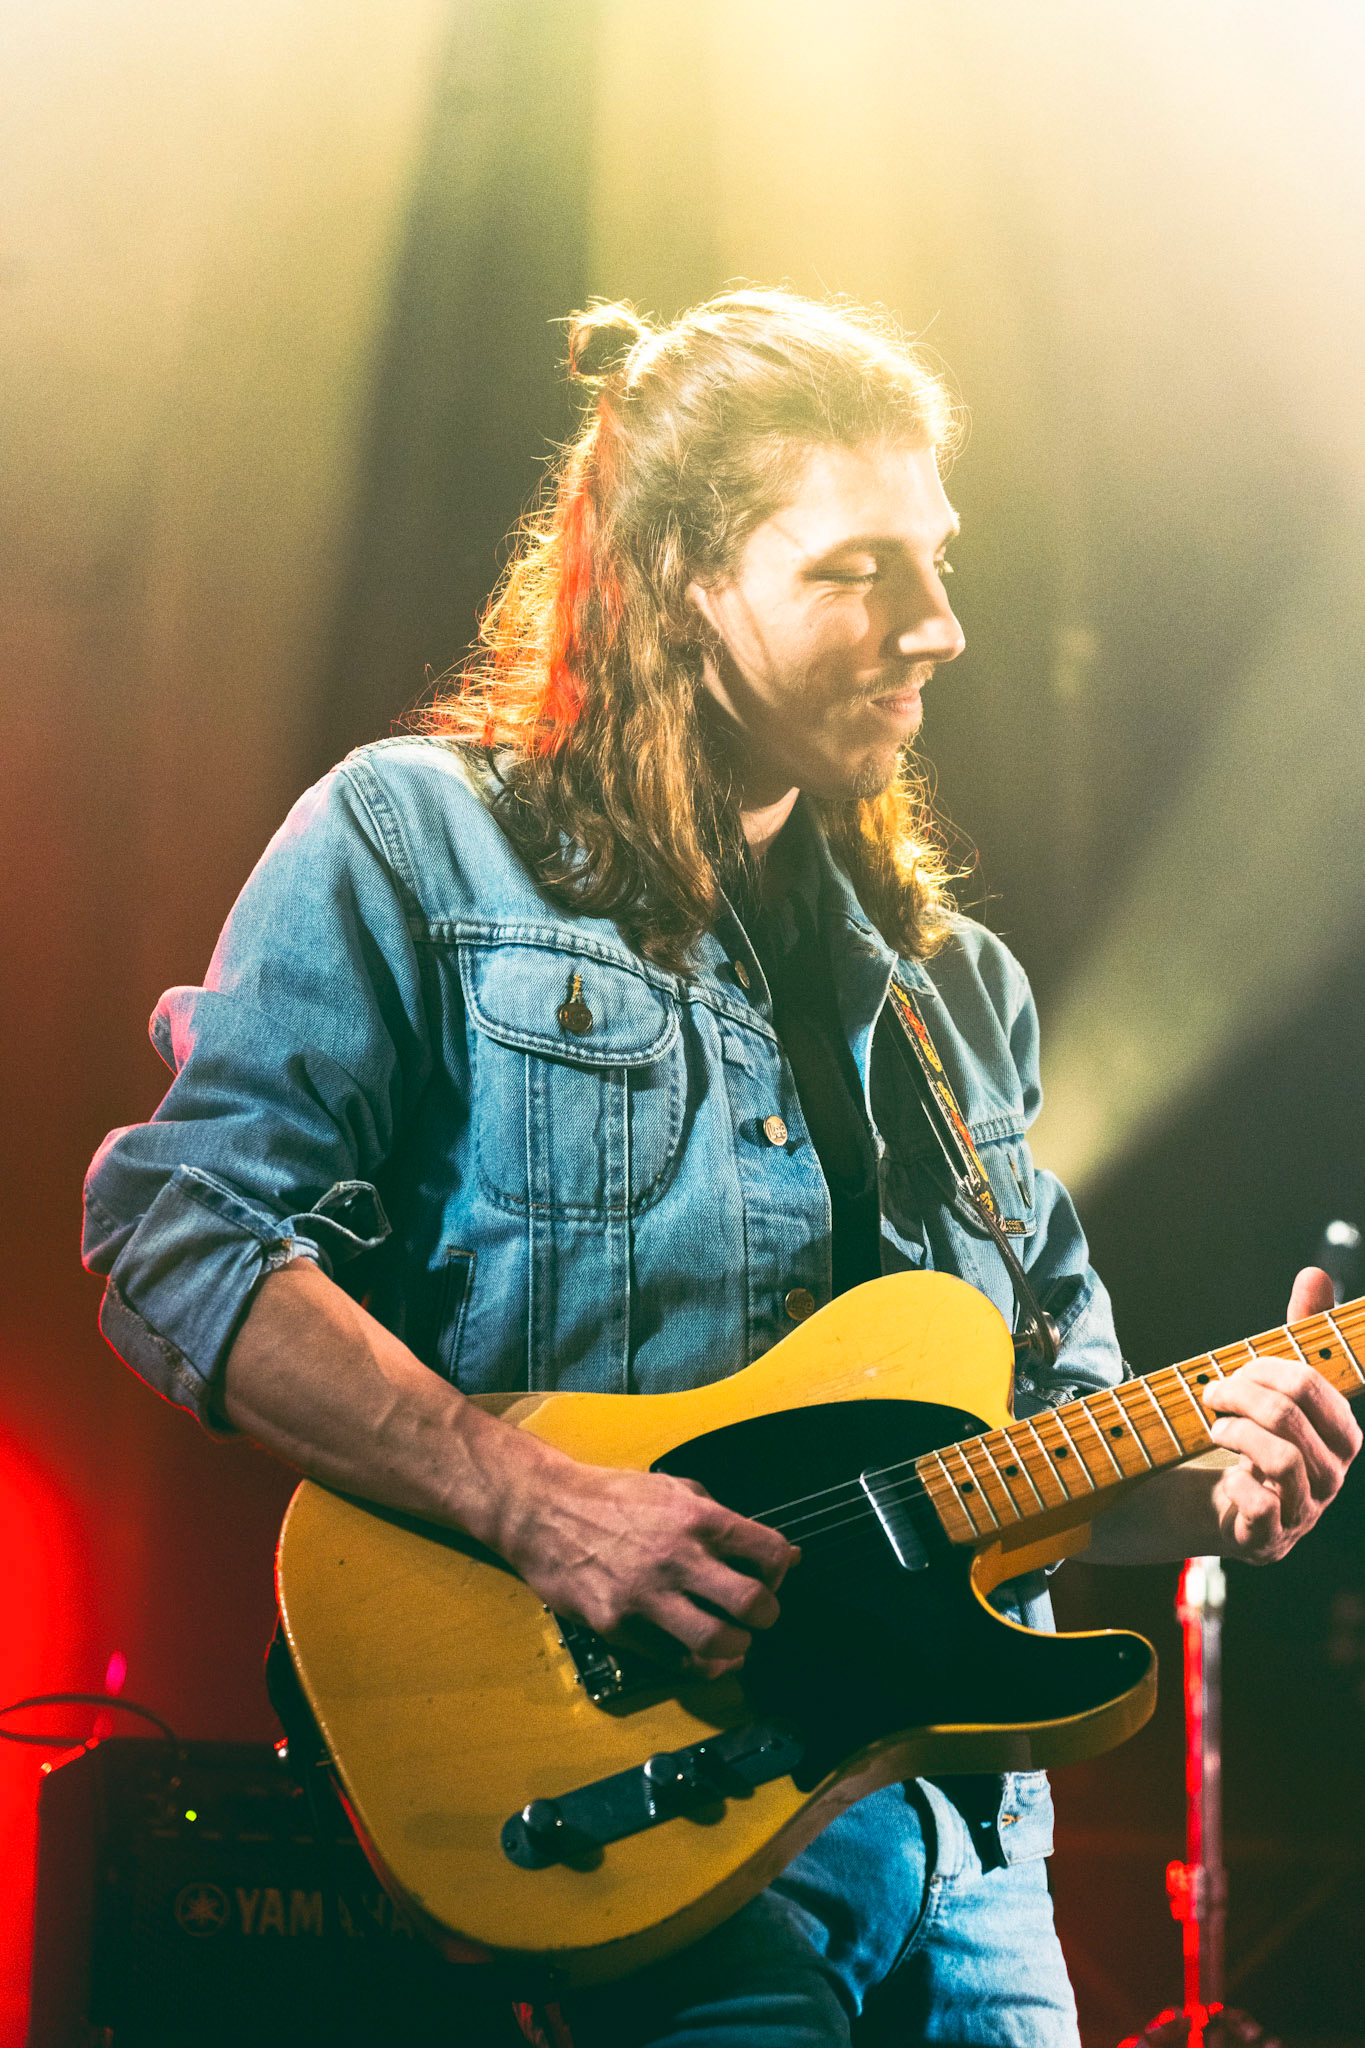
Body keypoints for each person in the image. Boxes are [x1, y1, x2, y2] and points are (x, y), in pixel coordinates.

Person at [83, 290, 1360, 2047]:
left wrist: (1205, 1479)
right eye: (859, 572)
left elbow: (1037, 1438)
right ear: (681, 578)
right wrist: (536, 1499)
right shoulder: (412, 839)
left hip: (966, 1846)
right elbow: (180, 1235)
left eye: (940, 559)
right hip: (645, 1819)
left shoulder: (954, 994)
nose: (942, 627)